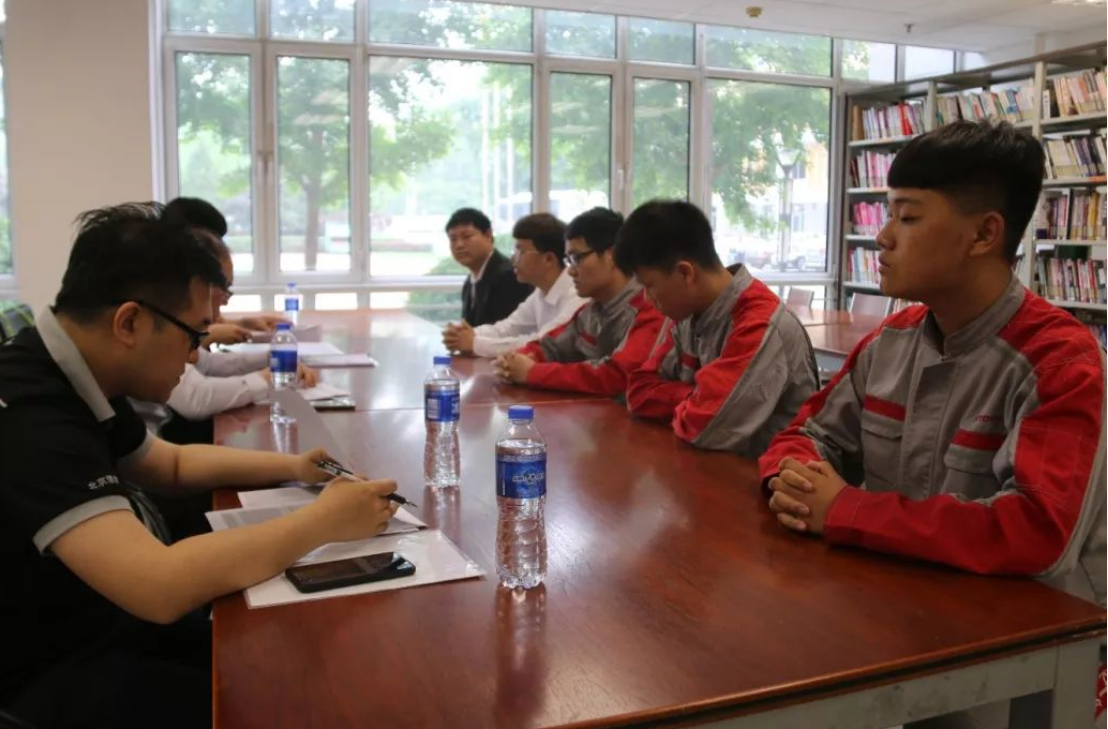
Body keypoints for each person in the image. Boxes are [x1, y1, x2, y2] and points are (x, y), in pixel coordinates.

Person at [760, 121, 1106, 729]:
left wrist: (844, 510)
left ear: (984, 234)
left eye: (908, 217)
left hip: (1027, 658)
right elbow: (805, 435)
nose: (882, 237)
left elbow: (1037, 533)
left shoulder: (1061, 363)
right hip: (903, 617)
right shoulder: (890, 342)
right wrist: (792, 481)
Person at [0, 203, 398, 729]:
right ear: (129, 322)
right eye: (193, 335)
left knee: (298, 653)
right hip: (50, 671)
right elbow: (158, 585)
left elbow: (169, 463)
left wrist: (297, 467)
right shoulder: (29, 409)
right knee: (296, 697)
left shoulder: (75, 366)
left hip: (101, 622)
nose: (195, 356)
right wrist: (325, 521)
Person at [618, 200, 818, 458]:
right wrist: (696, 397)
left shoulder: (759, 324)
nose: (647, 298)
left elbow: (704, 427)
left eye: (649, 285)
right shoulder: (685, 314)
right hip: (707, 465)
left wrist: (693, 402)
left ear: (685, 273)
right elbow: (638, 392)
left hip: (765, 474)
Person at [495, 208, 664, 397]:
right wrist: (517, 358)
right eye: (568, 261)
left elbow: (617, 376)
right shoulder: (591, 310)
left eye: (577, 258)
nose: (570, 271)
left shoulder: (649, 307)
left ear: (612, 255)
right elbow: (552, 347)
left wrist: (532, 373)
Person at [443, 212, 585, 358]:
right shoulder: (540, 292)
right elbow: (508, 328)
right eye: (515, 250)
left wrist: (474, 343)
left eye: (521, 251)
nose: (513, 258)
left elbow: (539, 343)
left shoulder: (576, 295)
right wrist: (466, 334)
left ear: (548, 259)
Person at [162, 197, 289, 338]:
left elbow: (209, 325)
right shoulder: (166, 289)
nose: (216, 246)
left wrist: (241, 324)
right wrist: (208, 336)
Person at [446, 208, 533, 328]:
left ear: (488, 235)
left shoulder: (509, 276)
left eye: (467, 236)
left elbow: (508, 331)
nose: (459, 245)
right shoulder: (470, 281)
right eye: (453, 239)